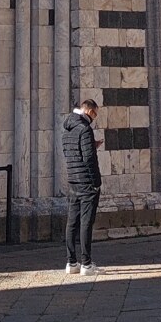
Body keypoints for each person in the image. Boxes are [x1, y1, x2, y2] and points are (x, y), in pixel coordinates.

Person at [61, 99, 102, 276]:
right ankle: (86, 264)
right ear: (89, 111)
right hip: (86, 182)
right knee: (86, 222)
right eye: (95, 114)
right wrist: (96, 182)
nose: (94, 118)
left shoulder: (67, 131)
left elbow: (71, 154)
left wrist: (90, 147)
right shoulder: (85, 129)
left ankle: (71, 263)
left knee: (72, 222)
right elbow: (88, 159)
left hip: (73, 181)